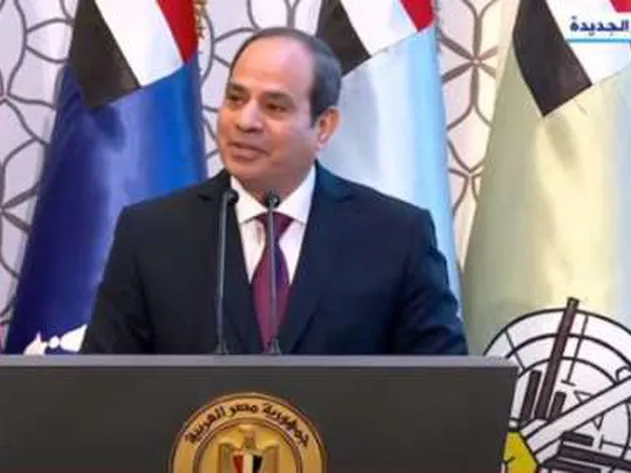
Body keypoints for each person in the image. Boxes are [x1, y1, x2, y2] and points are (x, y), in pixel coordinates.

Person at [80, 27, 466, 355]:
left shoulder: (395, 237)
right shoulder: (151, 234)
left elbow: (442, 389)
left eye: (275, 107)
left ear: (324, 127)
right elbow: (101, 389)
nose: (245, 121)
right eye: (235, 99)